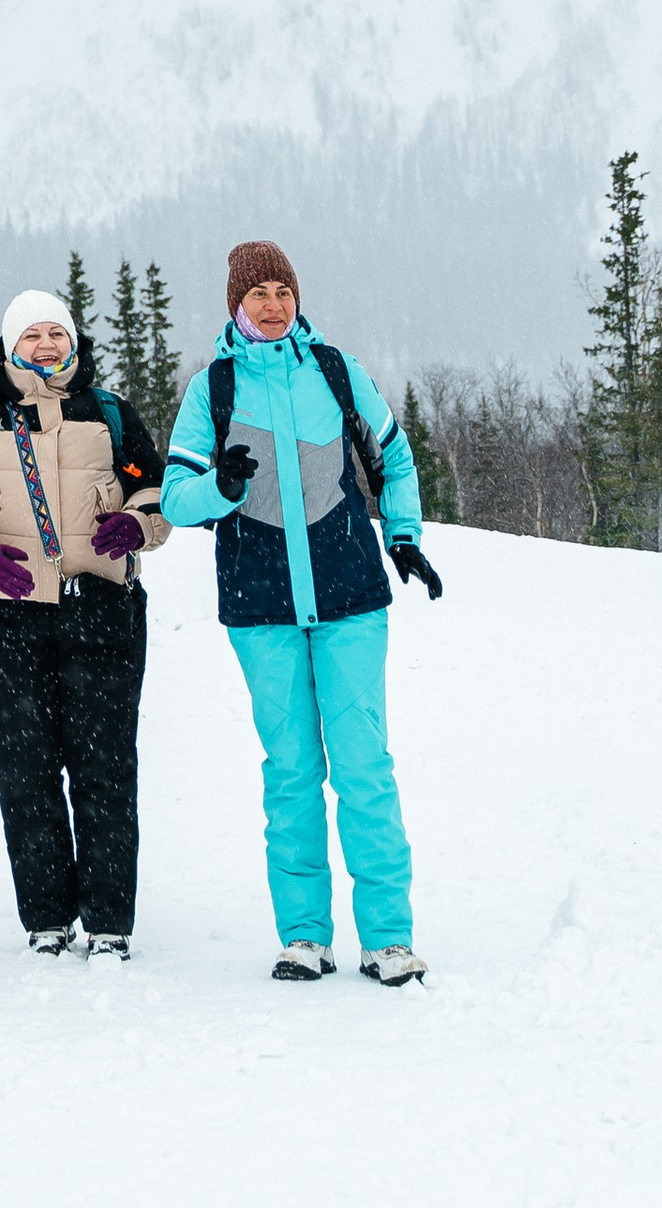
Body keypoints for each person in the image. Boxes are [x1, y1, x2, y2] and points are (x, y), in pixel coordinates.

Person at [159, 238, 441, 988]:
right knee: (291, 774)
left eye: (283, 290)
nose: (274, 304)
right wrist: (220, 486)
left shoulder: (335, 370)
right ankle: (305, 937)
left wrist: (403, 535)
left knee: (364, 768)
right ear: (236, 305)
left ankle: (388, 938)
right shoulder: (213, 389)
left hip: (351, 598)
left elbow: (395, 457)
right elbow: (176, 497)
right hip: (261, 608)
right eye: (259, 293)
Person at [0, 284, 169, 957]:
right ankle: (46, 919)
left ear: (73, 342)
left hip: (103, 611)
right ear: (10, 344)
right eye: (32, 334)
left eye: (57, 333)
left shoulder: (111, 414)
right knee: (25, 769)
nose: (47, 345)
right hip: (10, 619)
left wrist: (137, 522)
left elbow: (157, 487)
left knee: (105, 768)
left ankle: (109, 921)